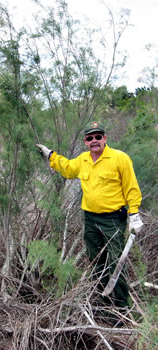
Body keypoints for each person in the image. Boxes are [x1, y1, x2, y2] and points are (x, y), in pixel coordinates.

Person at [36, 121, 143, 310]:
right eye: (90, 138)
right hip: (91, 219)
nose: (94, 140)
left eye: (98, 136)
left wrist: (134, 214)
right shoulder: (83, 159)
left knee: (117, 262)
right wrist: (50, 155)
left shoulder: (120, 158)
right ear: (85, 141)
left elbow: (132, 188)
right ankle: (102, 305)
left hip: (113, 219)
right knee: (96, 262)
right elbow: (67, 168)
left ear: (105, 138)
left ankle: (121, 308)